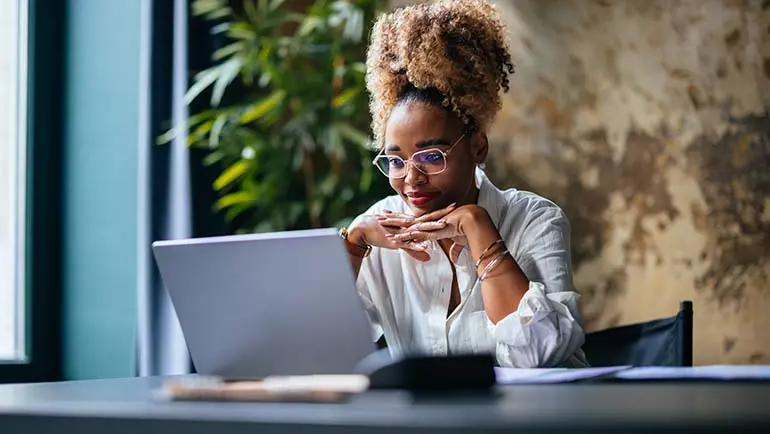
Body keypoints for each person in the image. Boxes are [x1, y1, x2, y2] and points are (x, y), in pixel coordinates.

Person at [340, 0, 588, 368]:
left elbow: (539, 355)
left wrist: (479, 230)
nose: (411, 178)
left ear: (477, 146)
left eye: (430, 156)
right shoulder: (380, 228)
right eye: (395, 161)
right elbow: (314, 346)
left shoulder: (535, 220)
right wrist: (354, 245)